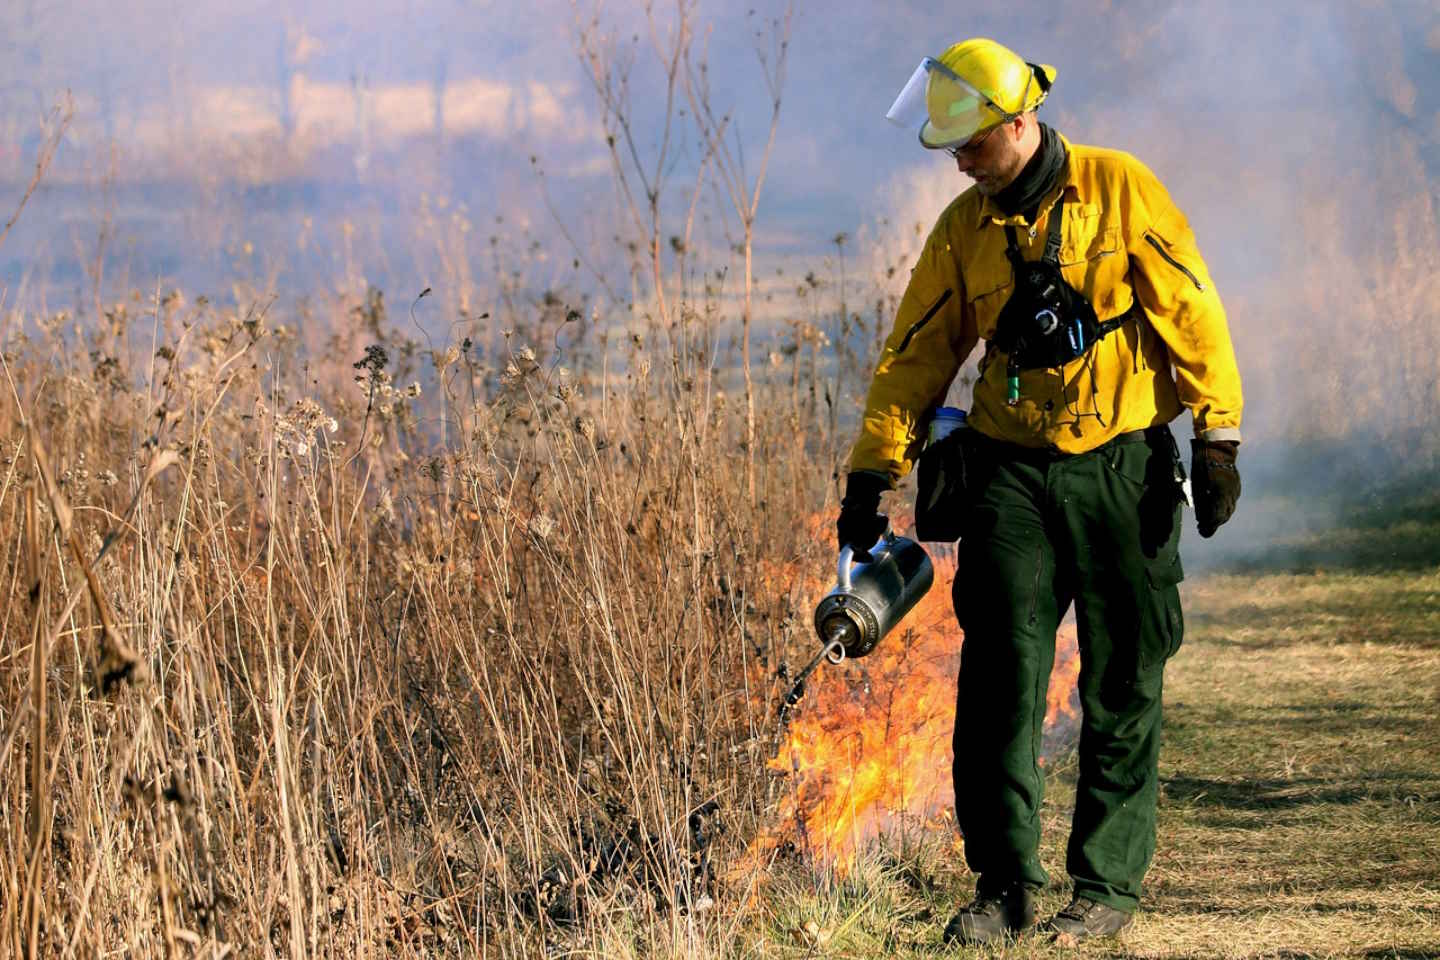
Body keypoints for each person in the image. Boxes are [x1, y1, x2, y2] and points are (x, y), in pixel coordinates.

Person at [837, 38, 1243, 945]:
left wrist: (1218, 436)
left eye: (973, 143)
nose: (960, 161)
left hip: (1120, 465)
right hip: (1009, 471)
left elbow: (1193, 310)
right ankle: (1004, 887)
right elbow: (917, 356)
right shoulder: (962, 230)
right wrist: (873, 471)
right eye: (952, 148)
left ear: (1020, 122)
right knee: (999, 680)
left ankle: (1103, 892)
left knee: (1124, 678)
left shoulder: (1121, 188)